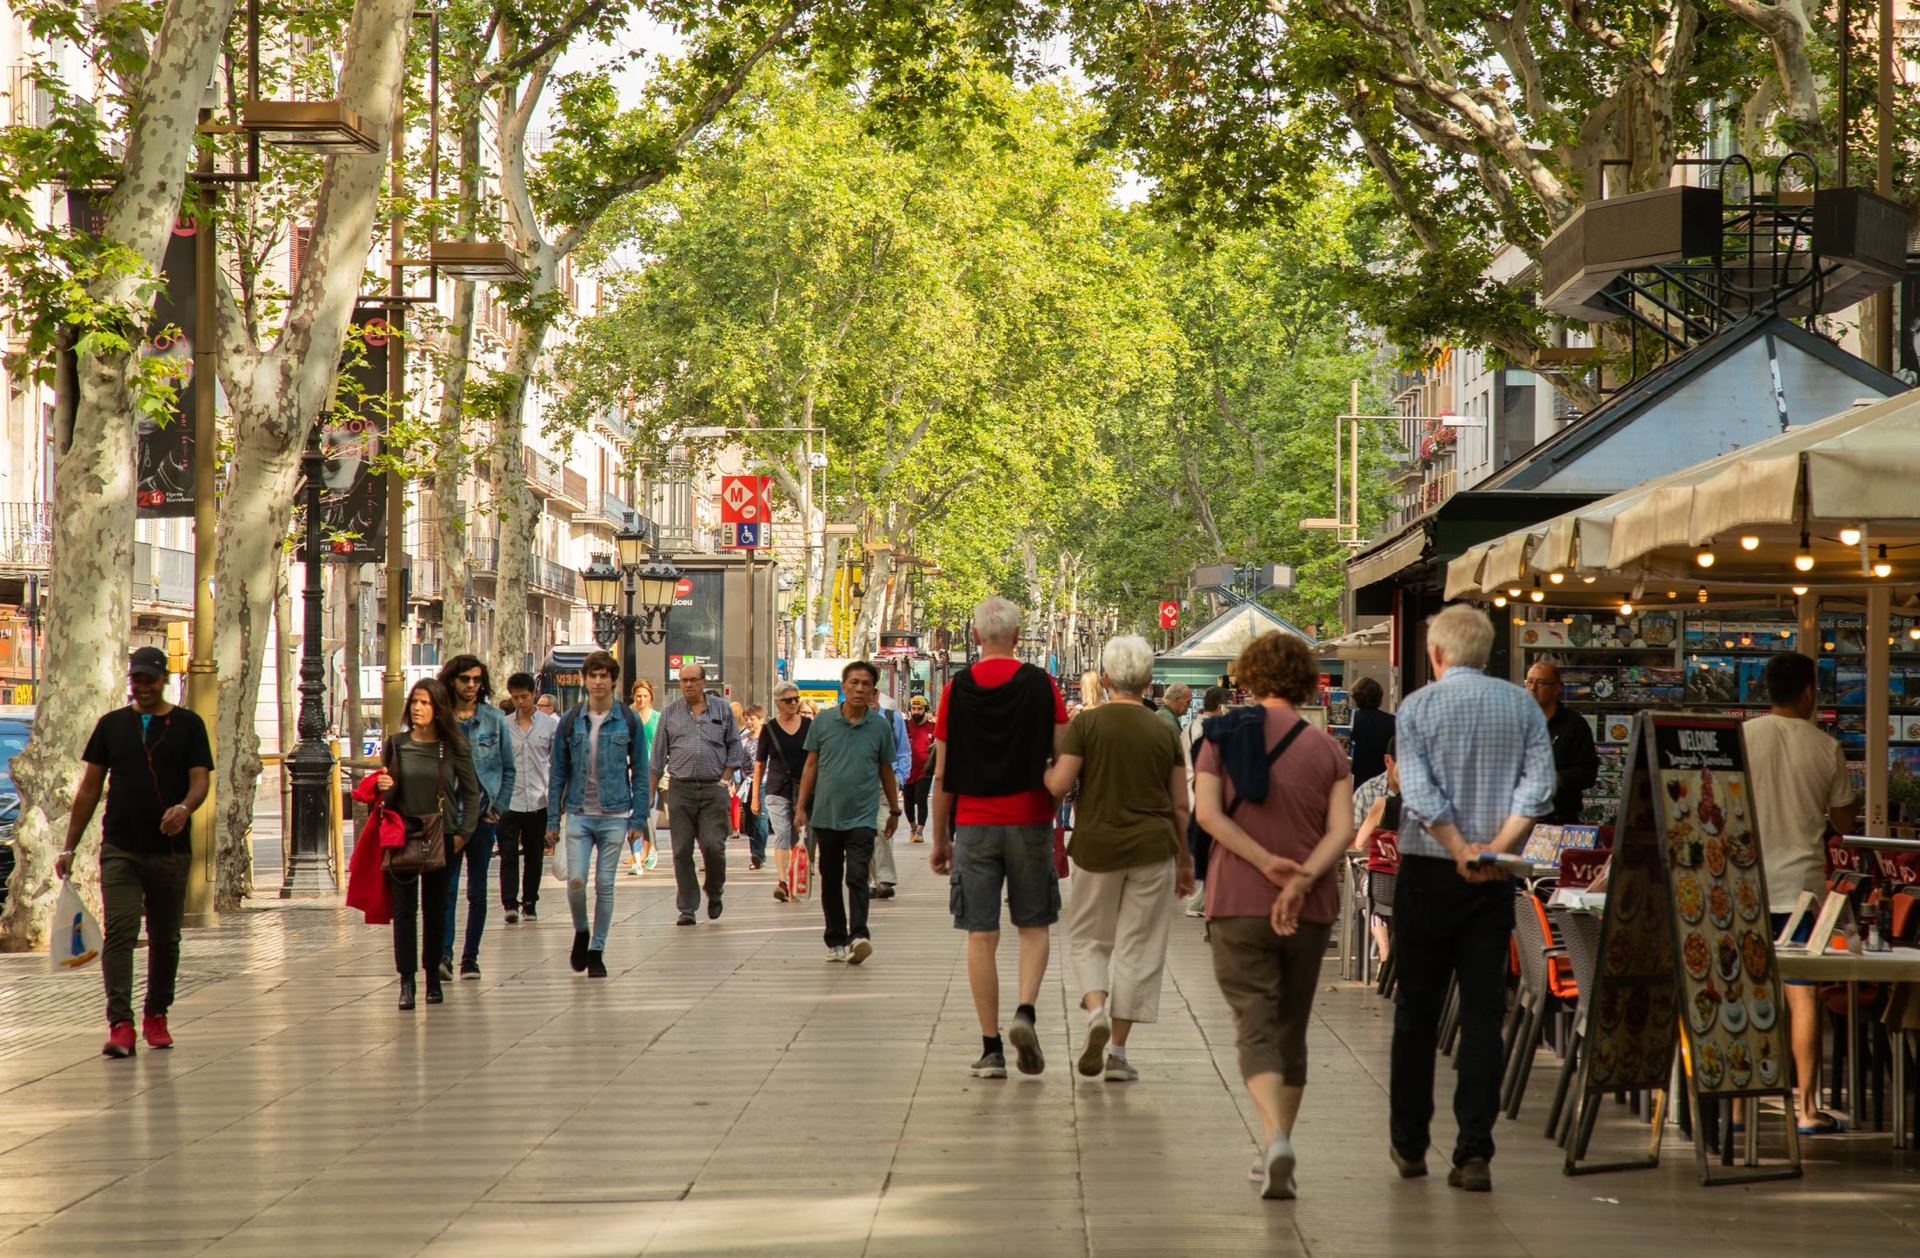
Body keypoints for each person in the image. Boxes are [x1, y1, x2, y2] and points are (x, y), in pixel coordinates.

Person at [1389, 604, 1554, 1194]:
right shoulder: (1522, 706)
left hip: (1429, 872)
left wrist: (1459, 847)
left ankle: (1410, 1143)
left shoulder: (1416, 708)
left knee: (1416, 1010)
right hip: (1493, 878)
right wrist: (1494, 849)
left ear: (1437, 654)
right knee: (1484, 1015)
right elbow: (1539, 788)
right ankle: (1474, 1151)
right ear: (1488, 654)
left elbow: (1419, 792)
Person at [1193, 631, 1354, 1198]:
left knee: (1254, 1025)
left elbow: (1208, 816)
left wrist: (1267, 864)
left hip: (1238, 899)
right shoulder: (1328, 749)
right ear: (1308, 680)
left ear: (1249, 678)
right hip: (1310, 910)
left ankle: (1273, 1142)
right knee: (1292, 1029)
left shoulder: (1220, 738)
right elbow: (1344, 830)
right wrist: (1304, 877)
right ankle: (1277, 1141)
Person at [930, 596, 1071, 1078]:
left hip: (973, 823)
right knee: (1034, 927)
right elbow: (1063, 755)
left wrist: (939, 838)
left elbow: (943, 771)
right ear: (1016, 636)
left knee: (980, 934)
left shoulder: (957, 688)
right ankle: (1025, 1012)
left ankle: (991, 1049)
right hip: (1030, 820)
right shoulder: (1041, 683)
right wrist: (1051, 808)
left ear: (974, 637)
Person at [1045, 636, 1192, 1085]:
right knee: (1139, 947)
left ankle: (1096, 1013)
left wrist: (1044, 768)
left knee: (1089, 939)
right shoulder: (1165, 730)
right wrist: (1185, 861)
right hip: (1153, 849)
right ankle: (1119, 1053)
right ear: (1149, 682)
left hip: (1096, 846)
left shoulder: (1086, 726)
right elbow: (1180, 804)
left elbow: (1058, 786)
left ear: (1106, 680)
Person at [57, 647, 213, 1057]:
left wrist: (184, 808)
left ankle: (156, 1015)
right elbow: (90, 788)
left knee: (165, 938)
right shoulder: (111, 726)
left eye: (150, 679)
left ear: (164, 679)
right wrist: (69, 847)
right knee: (121, 932)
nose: (143, 686)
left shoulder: (189, 726)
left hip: (171, 853)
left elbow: (200, 781)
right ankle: (121, 1023)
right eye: (137, 679)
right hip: (120, 848)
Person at [1742, 651, 1855, 1135]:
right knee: (1802, 997)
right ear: (1809, 692)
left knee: (1742, 995)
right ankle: (1806, 1109)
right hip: (1803, 893)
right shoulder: (1826, 748)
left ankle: (1736, 1107)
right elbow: (1844, 823)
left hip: (1745, 888)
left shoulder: (1741, 738)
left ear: (1765, 689)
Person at [369, 679, 481, 1010]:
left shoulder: (453, 746)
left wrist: (463, 833)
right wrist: (381, 785)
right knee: (404, 912)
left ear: (439, 709)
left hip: (440, 837)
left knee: (435, 911)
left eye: (426, 703)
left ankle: (433, 977)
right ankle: (406, 981)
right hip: (401, 835)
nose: (418, 708)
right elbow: (382, 793)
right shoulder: (396, 743)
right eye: (415, 701)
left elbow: (472, 792)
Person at [546, 650, 647, 976]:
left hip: (615, 814)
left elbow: (642, 773)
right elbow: (558, 772)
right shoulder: (571, 720)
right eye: (594, 675)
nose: (599, 680)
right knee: (576, 882)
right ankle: (581, 931)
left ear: (614, 680)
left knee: (605, 884)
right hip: (577, 812)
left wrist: (638, 819)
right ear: (585, 679)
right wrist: (552, 819)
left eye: (605, 675)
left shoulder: (628, 720)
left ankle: (597, 950)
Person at [796, 661, 901, 962]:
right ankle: (835, 939)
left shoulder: (880, 725)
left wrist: (894, 811)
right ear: (843, 687)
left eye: (865, 684)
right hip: (827, 815)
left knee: (857, 875)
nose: (859, 688)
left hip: (863, 815)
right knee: (830, 878)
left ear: (873, 691)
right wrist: (801, 807)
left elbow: (886, 770)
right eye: (853, 683)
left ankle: (859, 936)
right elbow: (811, 765)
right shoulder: (823, 721)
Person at [438, 655, 516, 982]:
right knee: (447, 889)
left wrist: (496, 810)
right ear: (452, 681)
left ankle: (470, 957)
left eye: (476, 680)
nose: (471, 685)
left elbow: (509, 770)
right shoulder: (439, 720)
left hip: (483, 818)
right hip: (448, 818)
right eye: (464, 679)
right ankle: (444, 954)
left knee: (477, 891)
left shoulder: (495, 720)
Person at [650, 662, 745, 926]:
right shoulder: (669, 714)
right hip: (680, 789)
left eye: (693, 680)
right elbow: (657, 757)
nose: (688, 685)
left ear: (704, 682)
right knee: (681, 850)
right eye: (683, 680)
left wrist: (724, 782)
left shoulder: (722, 710)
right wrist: (650, 792)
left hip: (714, 788)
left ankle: (714, 891)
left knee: (713, 846)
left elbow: (735, 749)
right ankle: (687, 908)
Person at [498, 673, 557, 923]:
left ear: (534, 694)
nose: (520, 701)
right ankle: (510, 903)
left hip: (538, 800)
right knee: (508, 854)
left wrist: (555, 797)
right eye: (515, 697)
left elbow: (556, 763)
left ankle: (530, 902)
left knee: (534, 855)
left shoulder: (550, 725)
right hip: (508, 801)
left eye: (524, 696)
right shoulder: (503, 725)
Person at [754, 681, 813, 900]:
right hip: (776, 789)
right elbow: (759, 763)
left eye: (796, 699)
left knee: (801, 836)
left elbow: (816, 759)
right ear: (778, 703)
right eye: (788, 700)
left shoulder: (808, 726)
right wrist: (754, 798)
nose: (793, 703)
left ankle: (798, 877)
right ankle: (783, 882)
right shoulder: (769, 729)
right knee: (782, 832)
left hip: (804, 790)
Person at [1523, 660, 1598, 824]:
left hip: (1558, 819)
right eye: (1529, 682)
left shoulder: (1574, 725)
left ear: (1556, 688)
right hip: (1518, 819)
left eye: (1540, 683)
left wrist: (1555, 777)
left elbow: (1588, 774)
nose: (1532, 688)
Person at [1354, 739, 1403, 963]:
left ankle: (1384, 953)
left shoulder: (1382, 804)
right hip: (1421, 886)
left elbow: (1358, 843)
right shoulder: (1435, 806)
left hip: (1383, 886)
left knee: (1369, 895)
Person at [1183, 686, 1228, 917]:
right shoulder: (1204, 729)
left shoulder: (1192, 726)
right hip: (1199, 795)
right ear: (1220, 706)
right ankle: (1196, 902)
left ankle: (1200, 901)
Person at [869, 694, 911, 899]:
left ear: (876, 693)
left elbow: (903, 750)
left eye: (869, 688)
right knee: (864, 830)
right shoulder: (847, 719)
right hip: (859, 782)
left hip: (887, 780)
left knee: (881, 827)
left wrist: (899, 777)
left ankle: (884, 879)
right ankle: (873, 880)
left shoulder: (891, 718)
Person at [627, 678, 663, 872]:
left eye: (645, 696)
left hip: (651, 774)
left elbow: (663, 748)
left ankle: (652, 849)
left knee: (647, 814)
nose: (641, 699)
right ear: (633, 696)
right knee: (632, 815)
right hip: (629, 773)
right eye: (638, 696)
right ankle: (637, 860)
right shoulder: (627, 716)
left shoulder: (657, 718)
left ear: (651, 697)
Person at [1347, 677, 1395, 788]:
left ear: (1355, 697)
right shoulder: (1392, 722)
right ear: (1379, 697)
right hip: (1383, 783)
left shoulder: (1350, 722)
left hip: (1355, 783)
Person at [739, 704, 769, 869]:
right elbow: (736, 762)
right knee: (750, 821)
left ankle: (759, 854)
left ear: (761, 720)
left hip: (765, 782)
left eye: (752, 719)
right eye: (747, 719)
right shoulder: (742, 739)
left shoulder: (768, 738)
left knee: (760, 818)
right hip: (747, 783)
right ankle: (755, 853)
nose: (749, 722)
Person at [903, 694, 936, 841]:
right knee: (908, 802)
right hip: (907, 769)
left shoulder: (932, 727)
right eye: (914, 708)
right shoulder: (904, 726)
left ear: (925, 709)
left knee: (921, 798)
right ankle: (913, 826)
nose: (916, 711)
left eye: (919, 708)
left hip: (924, 770)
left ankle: (920, 831)